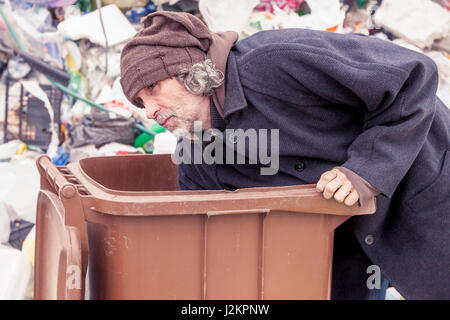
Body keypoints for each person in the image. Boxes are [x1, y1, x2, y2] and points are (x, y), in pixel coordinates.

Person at [120, 11, 450, 299]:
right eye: (140, 102)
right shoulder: (195, 152)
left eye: (152, 90)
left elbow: (412, 75)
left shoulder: (272, 62)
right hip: (340, 234)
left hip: (419, 184)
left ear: (188, 72)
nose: (149, 111)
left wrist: (366, 170)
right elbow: (200, 231)